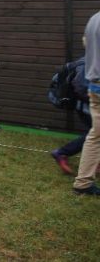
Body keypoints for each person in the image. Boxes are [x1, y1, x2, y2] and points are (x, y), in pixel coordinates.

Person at [72, 10, 100, 195]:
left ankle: (83, 183)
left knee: (96, 136)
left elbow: (86, 43)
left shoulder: (94, 18)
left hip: (94, 85)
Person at [49, 57, 93, 175]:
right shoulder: (89, 62)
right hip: (85, 105)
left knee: (95, 133)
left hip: (89, 104)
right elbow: (81, 87)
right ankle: (62, 153)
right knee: (95, 133)